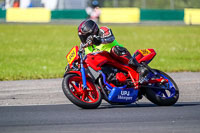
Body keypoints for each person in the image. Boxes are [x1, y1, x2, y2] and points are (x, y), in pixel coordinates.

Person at [78, 19, 148, 80]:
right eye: (82, 37)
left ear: (92, 32)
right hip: (103, 64)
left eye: (85, 36)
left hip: (116, 58)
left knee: (115, 49)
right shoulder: (84, 46)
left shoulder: (102, 31)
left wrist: (99, 40)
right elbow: (81, 58)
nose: (84, 39)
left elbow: (111, 38)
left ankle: (139, 68)